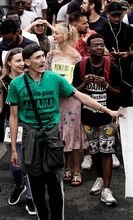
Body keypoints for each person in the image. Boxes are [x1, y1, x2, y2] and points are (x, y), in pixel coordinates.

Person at [7, 43, 120, 220]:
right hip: (30, 138)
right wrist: (14, 150)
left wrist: (108, 111)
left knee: (55, 187)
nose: (42, 61)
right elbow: (14, 117)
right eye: (37, 58)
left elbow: (81, 97)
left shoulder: (55, 79)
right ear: (26, 62)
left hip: (52, 137)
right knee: (36, 188)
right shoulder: (16, 85)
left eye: (43, 56)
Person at [72, 34, 122, 206]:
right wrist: (85, 84)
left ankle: (107, 189)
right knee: (94, 151)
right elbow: (73, 91)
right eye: (95, 45)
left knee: (107, 151)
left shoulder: (111, 67)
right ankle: (100, 178)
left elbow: (120, 91)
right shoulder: (81, 66)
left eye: (102, 45)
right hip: (88, 117)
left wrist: (105, 86)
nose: (99, 48)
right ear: (89, 48)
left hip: (107, 117)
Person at [45, 23, 87, 187]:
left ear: (66, 35)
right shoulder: (50, 54)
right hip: (56, 99)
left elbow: (79, 79)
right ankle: (66, 168)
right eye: (53, 33)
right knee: (60, 134)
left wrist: (71, 90)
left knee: (73, 134)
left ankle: (77, 170)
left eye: (56, 33)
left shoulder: (76, 56)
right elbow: (47, 75)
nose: (54, 36)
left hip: (71, 99)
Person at [1, 48, 36, 216]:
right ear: (9, 63)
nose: (22, 64)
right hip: (11, 124)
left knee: (28, 163)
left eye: (24, 60)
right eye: (17, 61)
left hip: (30, 123)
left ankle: (31, 197)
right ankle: (19, 185)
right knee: (16, 164)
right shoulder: (3, 82)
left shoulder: (33, 78)